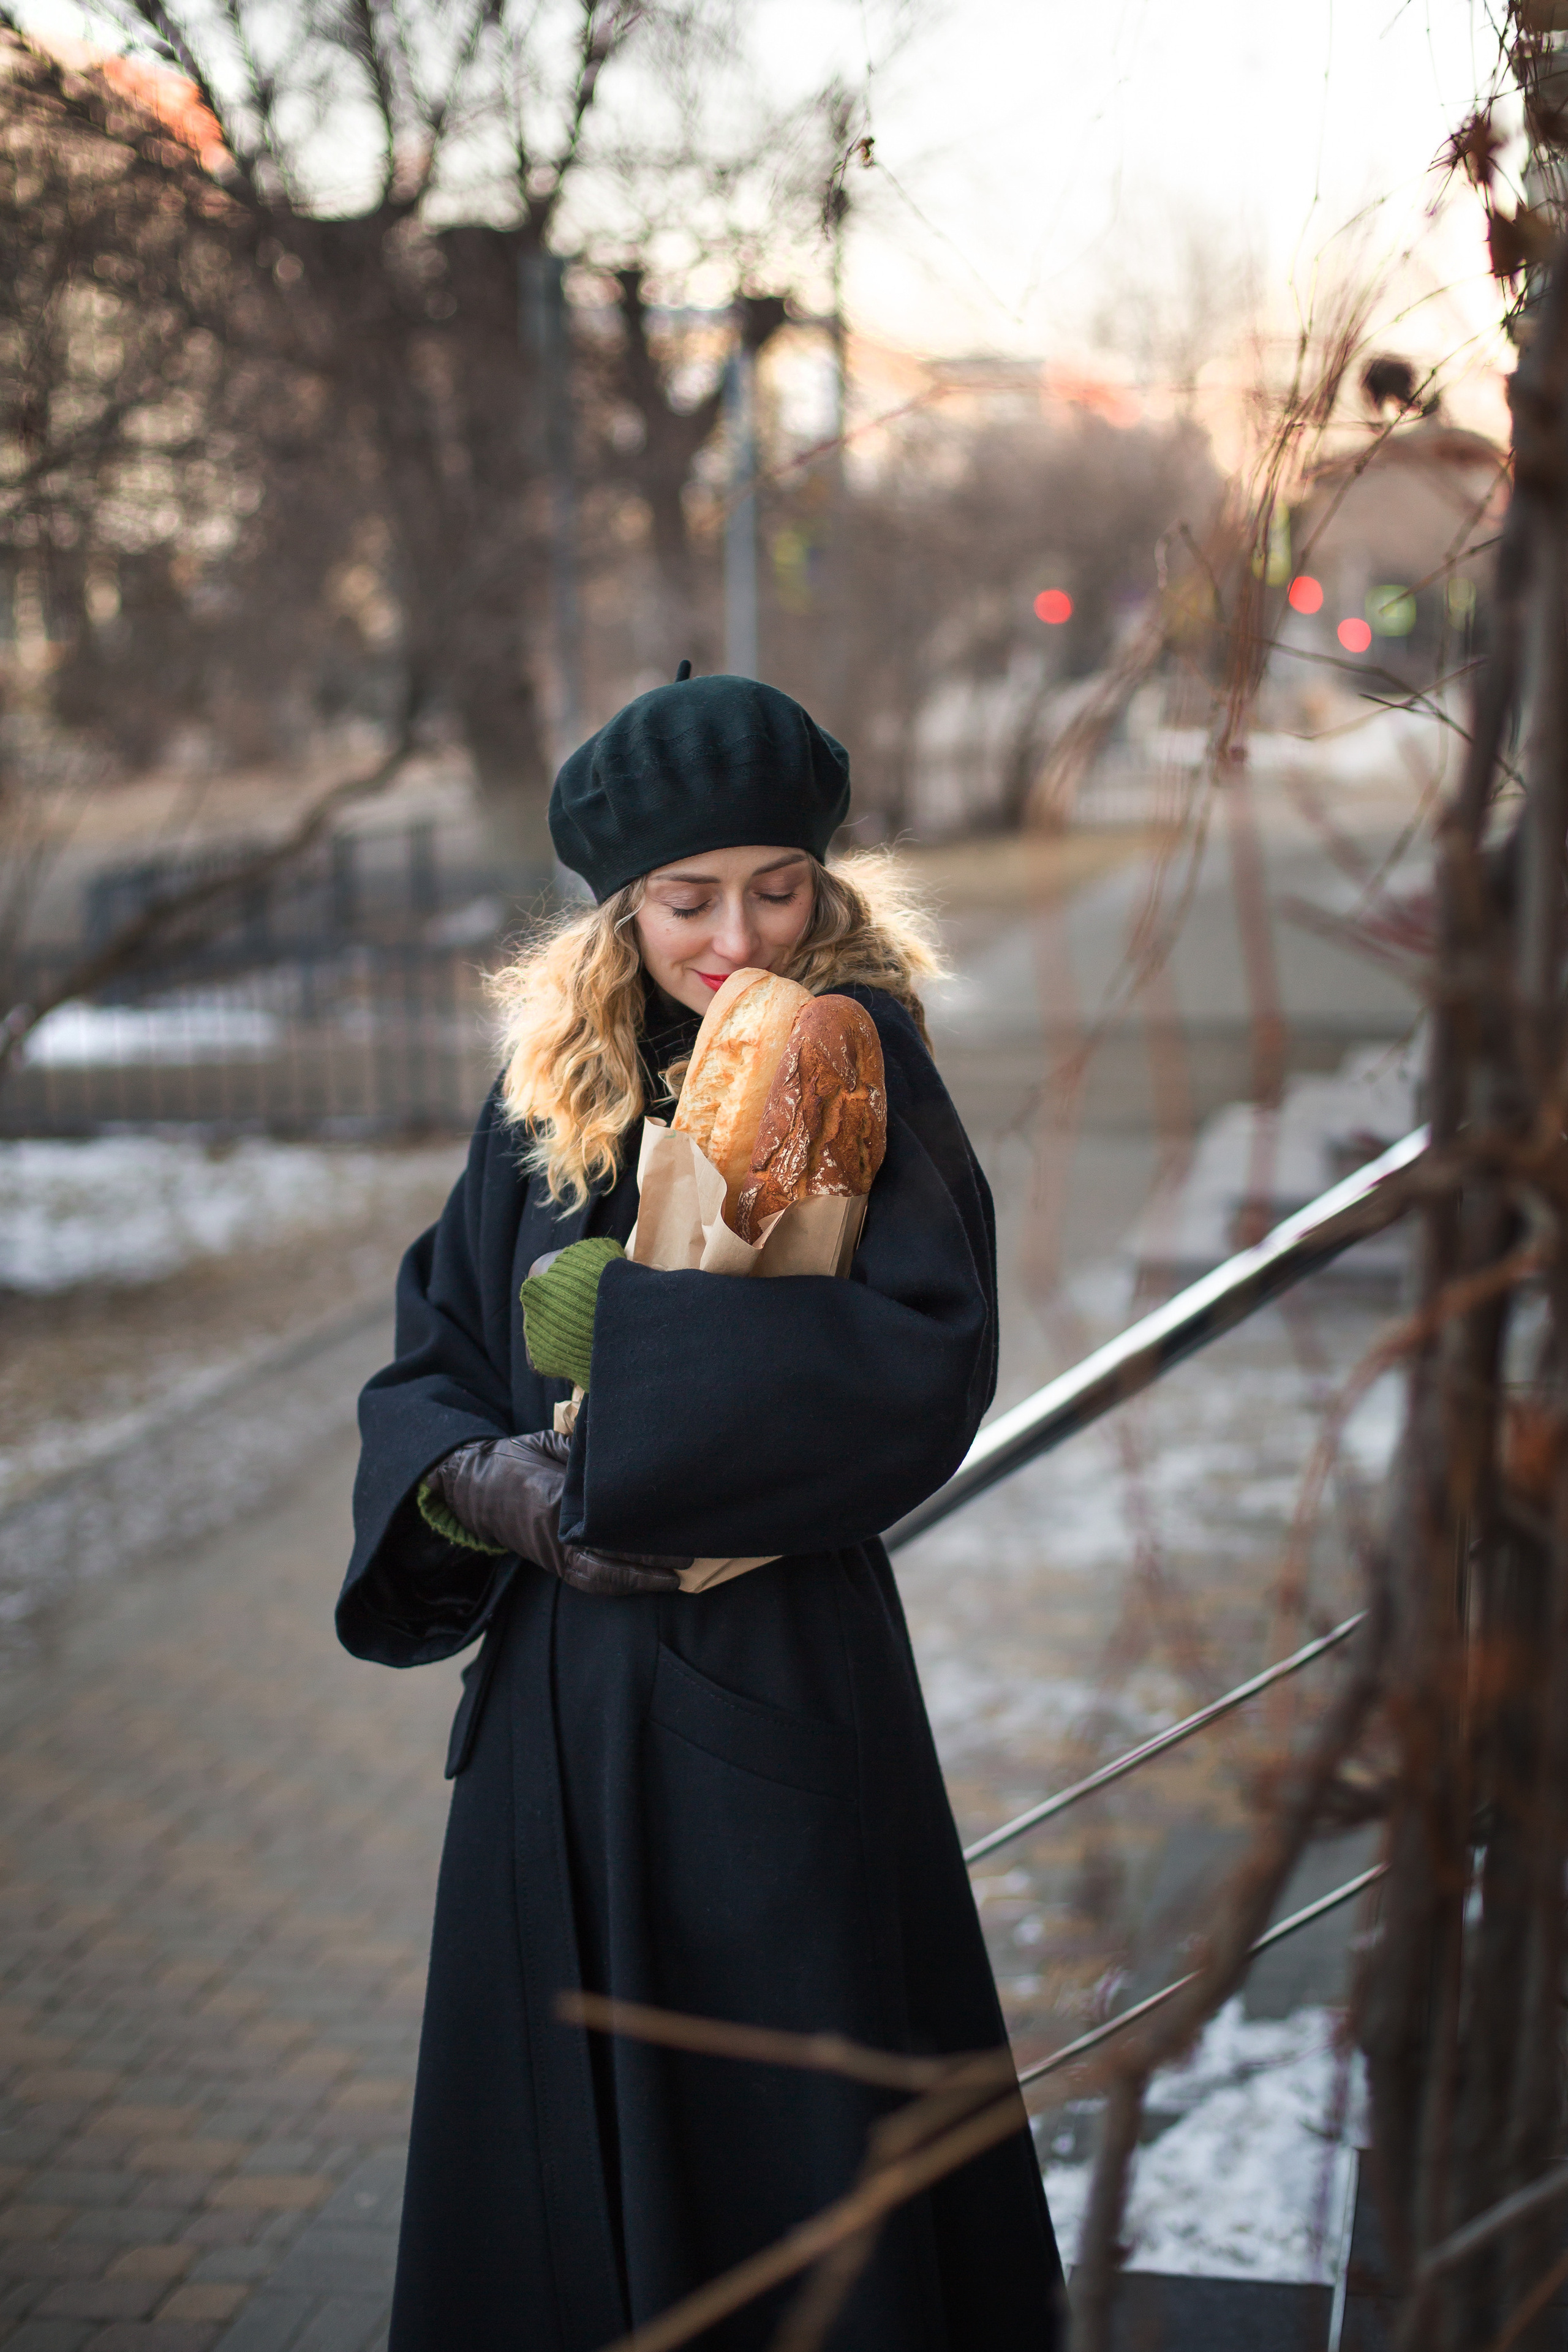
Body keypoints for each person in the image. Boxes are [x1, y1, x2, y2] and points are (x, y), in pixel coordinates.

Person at [339, 671, 1063, 2350]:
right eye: (686, 899)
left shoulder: (860, 1065)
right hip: (551, 1722)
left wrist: (632, 1361)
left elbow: (920, 1364)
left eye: (777, 886)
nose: (735, 932)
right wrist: (486, 1486)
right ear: (621, 909)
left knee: (785, 2185)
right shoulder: (545, 1098)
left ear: (828, 885)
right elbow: (424, 1363)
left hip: (770, 1691)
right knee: (549, 2174)